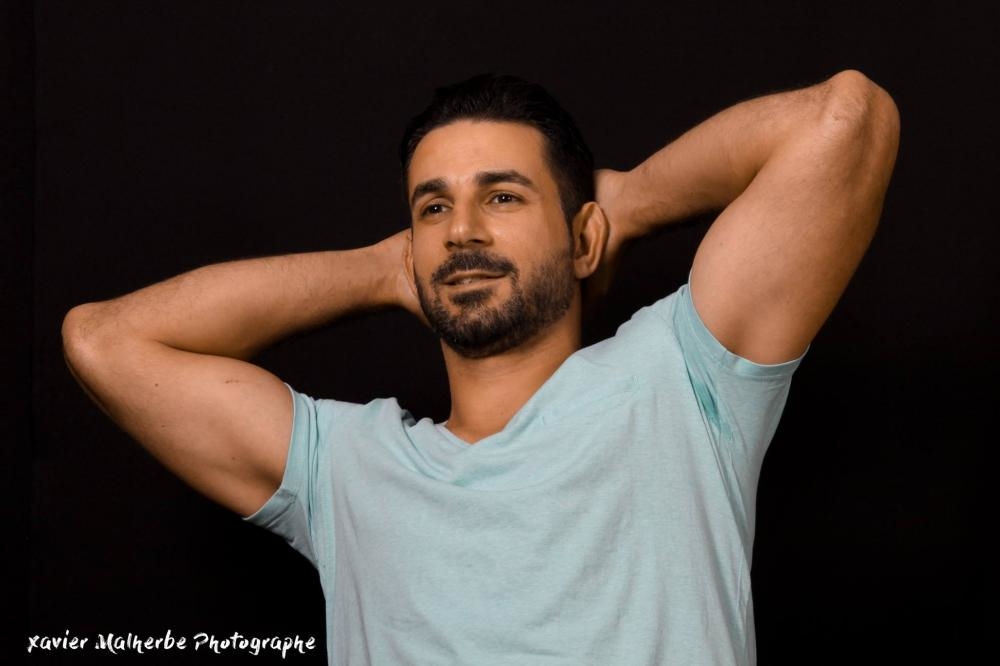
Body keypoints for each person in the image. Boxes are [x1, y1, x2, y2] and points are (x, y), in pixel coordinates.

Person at [62, 71, 899, 664]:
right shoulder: (344, 470)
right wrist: (381, 270)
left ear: (581, 237)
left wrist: (628, 204)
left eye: (502, 197)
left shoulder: (680, 381)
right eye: (434, 207)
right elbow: (104, 341)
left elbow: (845, 119)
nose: (461, 231)